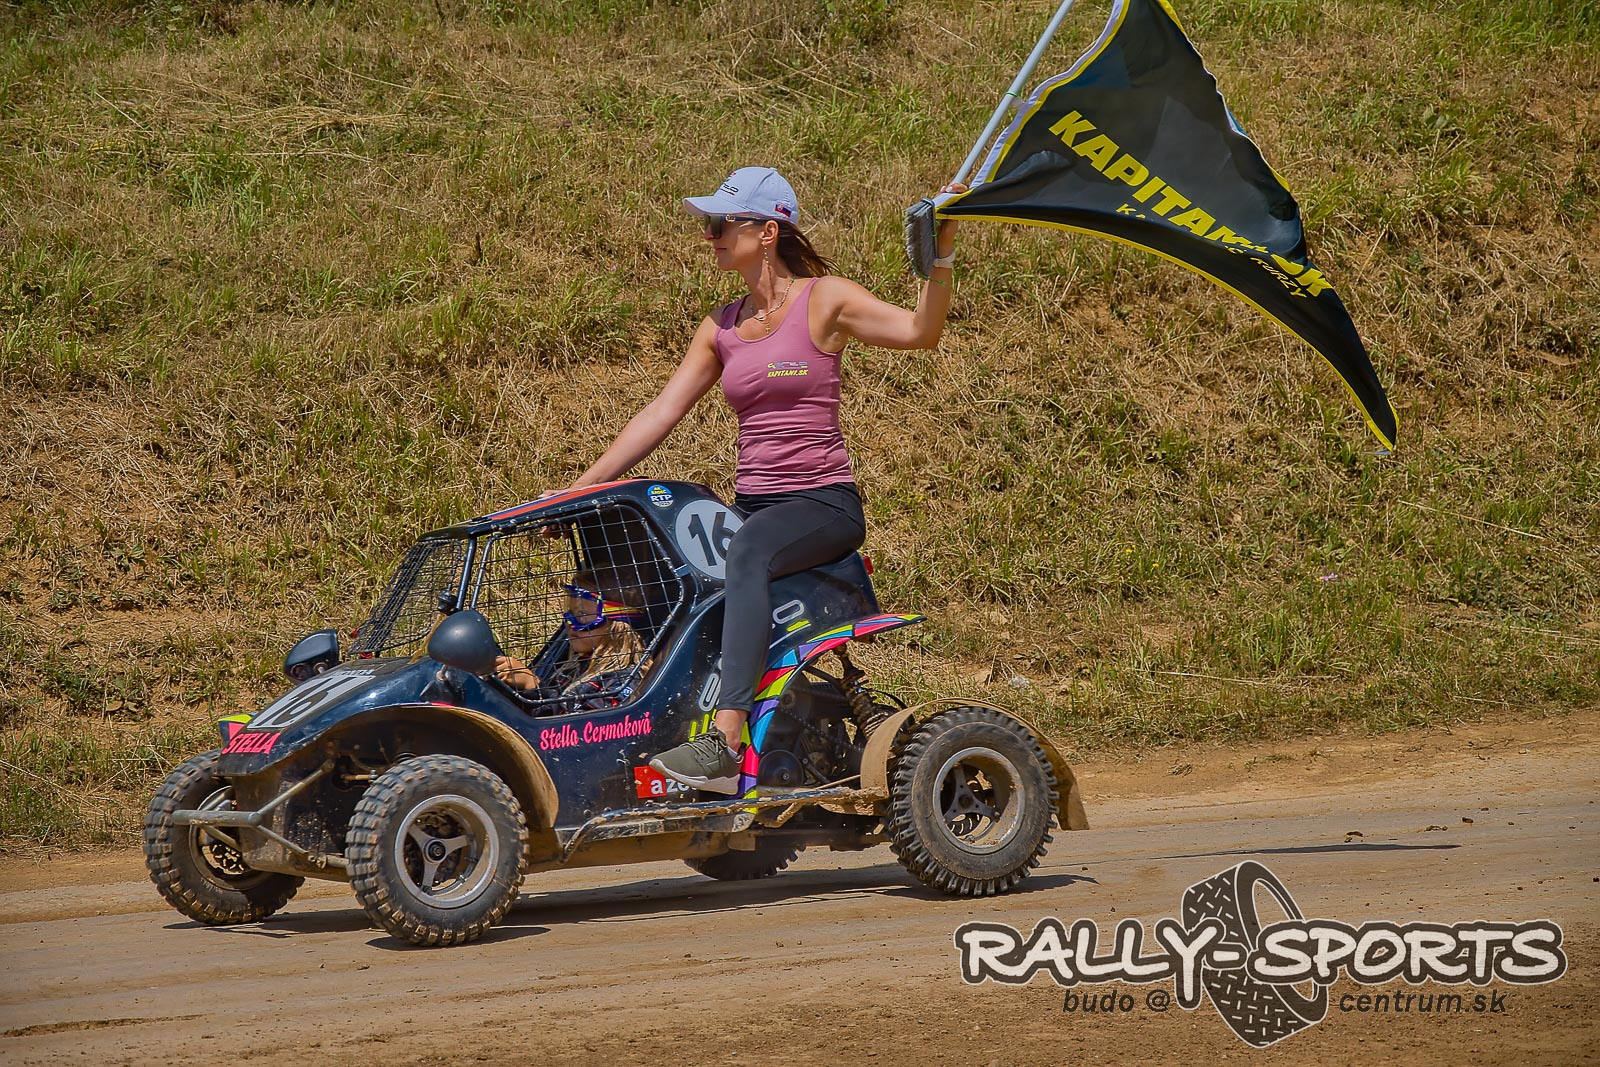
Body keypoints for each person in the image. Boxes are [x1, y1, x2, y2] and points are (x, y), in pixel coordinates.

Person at [554, 166, 961, 793]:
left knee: (745, 550)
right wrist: (581, 488)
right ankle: (596, 707)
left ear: (767, 231)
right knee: (651, 560)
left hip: (822, 504)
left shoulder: (824, 300)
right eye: (708, 225)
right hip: (754, 507)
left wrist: (941, 257)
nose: (709, 236)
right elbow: (661, 412)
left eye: (721, 224)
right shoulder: (720, 327)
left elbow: (919, 332)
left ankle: (725, 741)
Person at [494, 570, 653, 709]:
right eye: (571, 612)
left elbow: (584, 728)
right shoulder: (572, 668)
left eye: (583, 615)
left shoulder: (622, 681)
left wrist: (534, 687)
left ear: (619, 623)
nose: (571, 623)